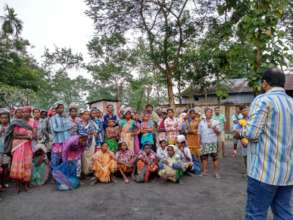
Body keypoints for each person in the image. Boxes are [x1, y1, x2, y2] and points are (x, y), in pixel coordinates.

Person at [239, 68, 293, 220]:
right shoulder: (291, 102)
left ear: (265, 83)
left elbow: (251, 134)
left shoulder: (263, 100)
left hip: (263, 172)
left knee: (255, 214)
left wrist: (240, 132)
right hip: (287, 172)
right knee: (283, 213)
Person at [6, 106, 36, 193]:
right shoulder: (17, 122)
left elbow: (34, 134)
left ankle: (25, 183)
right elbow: (14, 135)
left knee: (27, 164)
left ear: (30, 113)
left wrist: (31, 136)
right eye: (24, 112)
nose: (26, 113)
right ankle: (18, 185)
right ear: (22, 113)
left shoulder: (32, 122)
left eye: (27, 112)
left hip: (28, 146)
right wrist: (27, 136)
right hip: (18, 146)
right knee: (18, 164)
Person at [198, 107, 221, 178]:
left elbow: (219, 132)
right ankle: (204, 171)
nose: (209, 113)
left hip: (213, 142)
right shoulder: (201, 122)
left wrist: (213, 127)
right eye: (207, 112)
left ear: (212, 113)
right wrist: (199, 142)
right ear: (205, 113)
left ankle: (216, 172)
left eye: (210, 112)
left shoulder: (215, 122)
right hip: (204, 142)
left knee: (215, 157)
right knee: (204, 157)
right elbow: (199, 133)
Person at [50, 102, 71, 169]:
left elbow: (69, 126)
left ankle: (63, 173)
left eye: (62, 108)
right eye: (59, 108)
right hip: (57, 141)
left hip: (66, 141)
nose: (61, 109)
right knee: (56, 158)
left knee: (65, 158)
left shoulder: (65, 117)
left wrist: (65, 128)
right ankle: (55, 173)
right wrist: (65, 128)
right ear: (56, 109)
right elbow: (55, 129)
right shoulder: (53, 118)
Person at [78, 109, 96, 176]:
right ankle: (84, 172)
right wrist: (88, 134)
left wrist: (91, 133)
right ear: (81, 115)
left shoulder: (91, 123)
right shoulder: (79, 123)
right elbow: (79, 132)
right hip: (82, 142)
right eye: (85, 114)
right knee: (83, 157)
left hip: (91, 141)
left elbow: (94, 132)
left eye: (88, 114)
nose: (87, 116)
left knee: (91, 156)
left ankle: (90, 171)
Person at [0, 108, 11, 190]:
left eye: (6, 117)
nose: (4, 119)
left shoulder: (10, 127)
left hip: (7, 150)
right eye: (2, 118)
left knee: (5, 167)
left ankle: (3, 183)